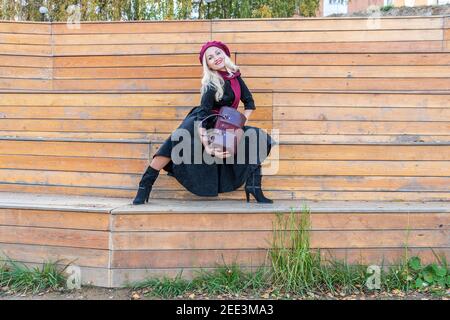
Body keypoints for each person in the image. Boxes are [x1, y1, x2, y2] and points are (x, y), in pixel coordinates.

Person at [133, 40, 277, 205]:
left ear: (224, 54)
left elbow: (249, 103)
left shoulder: (236, 77)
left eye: (217, 53)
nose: (215, 58)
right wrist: (208, 146)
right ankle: (145, 186)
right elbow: (202, 117)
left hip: (226, 123)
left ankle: (254, 187)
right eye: (210, 57)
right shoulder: (211, 84)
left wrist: (239, 125)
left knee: (257, 138)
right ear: (207, 64)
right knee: (172, 146)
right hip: (202, 121)